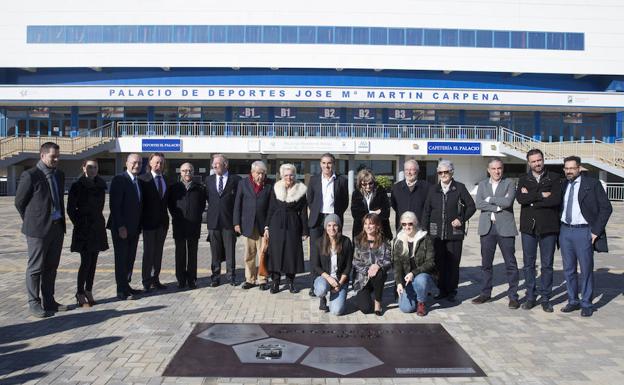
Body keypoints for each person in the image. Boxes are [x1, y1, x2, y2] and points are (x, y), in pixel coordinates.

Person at [15, 142, 68, 318]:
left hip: (57, 227)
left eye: (58, 156)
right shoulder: (30, 175)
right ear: (42, 155)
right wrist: (33, 221)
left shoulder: (59, 175)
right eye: (53, 156)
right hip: (37, 231)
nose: (57, 159)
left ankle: (49, 301)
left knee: (52, 267)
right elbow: (19, 202)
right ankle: (34, 303)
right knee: (36, 268)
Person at [559, 156, 612, 317]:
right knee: (568, 270)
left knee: (586, 269)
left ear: (579, 168)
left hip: (584, 232)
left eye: (572, 168)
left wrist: (596, 231)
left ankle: (587, 303)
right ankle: (573, 300)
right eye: (566, 168)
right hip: (565, 231)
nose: (569, 171)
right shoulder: (563, 185)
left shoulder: (592, 184)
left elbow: (606, 208)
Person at [422, 159, 475, 302]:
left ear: (451, 172)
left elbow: (471, 206)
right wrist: (424, 231)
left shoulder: (460, 188)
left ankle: (452, 291)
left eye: (446, 172)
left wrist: (461, 218)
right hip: (436, 234)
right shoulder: (433, 189)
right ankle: (442, 290)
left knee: (452, 263)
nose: (443, 175)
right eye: (440, 172)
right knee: (438, 263)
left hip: (454, 233)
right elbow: (426, 211)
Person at [516, 148, 562, 313]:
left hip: (548, 228)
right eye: (533, 161)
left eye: (539, 160)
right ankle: (530, 296)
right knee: (528, 265)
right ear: (529, 163)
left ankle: (546, 298)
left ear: (543, 159)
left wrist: (533, 199)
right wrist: (542, 195)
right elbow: (520, 199)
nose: (537, 163)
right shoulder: (523, 179)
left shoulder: (555, 178)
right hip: (529, 228)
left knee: (547, 265)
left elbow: (556, 200)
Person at [472, 158, 520, 309]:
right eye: (493, 169)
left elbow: (508, 202)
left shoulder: (509, 183)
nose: (496, 171)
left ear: (502, 169)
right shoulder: (482, 184)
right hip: (487, 228)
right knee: (486, 264)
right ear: (488, 170)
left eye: (499, 168)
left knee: (510, 264)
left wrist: (490, 199)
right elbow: (478, 204)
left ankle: (513, 296)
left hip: (505, 228)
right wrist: (497, 207)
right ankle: (485, 293)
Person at [67, 159, 109, 307]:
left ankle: (89, 290)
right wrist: (80, 223)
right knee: (86, 262)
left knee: (94, 262)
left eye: (95, 167)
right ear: (84, 168)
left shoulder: (100, 185)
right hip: (83, 228)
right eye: (90, 167)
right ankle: (79, 292)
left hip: (97, 227)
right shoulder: (77, 186)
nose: (93, 170)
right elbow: (71, 209)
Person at [306, 153, 349, 297]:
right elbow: (310, 200)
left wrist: (335, 216)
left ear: (333, 164)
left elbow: (344, 201)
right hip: (317, 219)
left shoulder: (342, 180)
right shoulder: (313, 180)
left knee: (335, 250)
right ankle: (315, 285)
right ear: (320, 164)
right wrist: (318, 212)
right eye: (324, 163)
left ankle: (336, 280)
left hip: (333, 220)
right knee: (315, 253)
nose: (326, 166)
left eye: (329, 163)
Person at [265, 163, 308, 294]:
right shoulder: (276, 188)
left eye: (291, 175)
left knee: (291, 253)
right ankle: (276, 282)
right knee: (276, 253)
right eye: (286, 175)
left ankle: (290, 282)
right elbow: (271, 208)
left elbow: (304, 212)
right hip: (276, 224)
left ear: (295, 175)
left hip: (293, 224)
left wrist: (304, 231)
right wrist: (267, 226)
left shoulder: (301, 190)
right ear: (282, 176)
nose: (289, 177)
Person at [107, 153, 144, 300]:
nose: (137, 165)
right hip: (121, 228)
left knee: (130, 258)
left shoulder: (138, 181)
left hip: (134, 228)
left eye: (140, 163)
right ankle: (121, 290)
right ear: (127, 163)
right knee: (121, 259)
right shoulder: (119, 179)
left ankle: (126, 285)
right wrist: (121, 226)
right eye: (134, 162)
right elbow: (115, 205)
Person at [234, 160, 273, 290]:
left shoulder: (269, 185)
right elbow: (237, 204)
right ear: (252, 172)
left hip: (263, 226)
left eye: (263, 173)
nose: (260, 176)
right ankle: (250, 279)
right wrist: (236, 223)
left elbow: (270, 208)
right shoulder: (243, 183)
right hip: (247, 225)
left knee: (263, 253)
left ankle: (262, 279)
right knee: (249, 254)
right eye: (258, 173)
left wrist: (268, 225)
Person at [167, 162, 206, 290]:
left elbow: (201, 206)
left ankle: (192, 279)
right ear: (180, 173)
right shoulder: (174, 188)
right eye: (184, 171)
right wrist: (177, 217)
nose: (187, 173)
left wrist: (195, 216)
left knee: (192, 254)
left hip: (194, 226)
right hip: (179, 225)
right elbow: (171, 206)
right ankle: (181, 279)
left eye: (189, 170)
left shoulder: (199, 188)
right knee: (180, 253)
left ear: (193, 172)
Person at [205, 154, 241, 287]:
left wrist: (237, 222)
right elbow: (209, 198)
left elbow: (238, 202)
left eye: (217, 164)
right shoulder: (208, 180)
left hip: (229, 222)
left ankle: (231, 276)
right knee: (215, 251)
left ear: (225, 165)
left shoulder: (235, 180)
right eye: (213, 164)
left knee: (230, 250)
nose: (214, 166)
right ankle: (215, 276)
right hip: (213, 222)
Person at [392, 211, 437, 316]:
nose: (407, 227)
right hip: (407, 280)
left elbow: (430, 262)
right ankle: (416, 294)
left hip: (423, 276)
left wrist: (413, 273)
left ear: (415, 223)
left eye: (410, 224)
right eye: (404, 224)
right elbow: (397, 265)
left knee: (420, 280)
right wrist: (398, 282)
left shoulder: (425, 239)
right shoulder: (398, 240)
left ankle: (421, 302)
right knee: (406, 308)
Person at [139, 152, 169, 292]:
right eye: (156, 162)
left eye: (161, 163)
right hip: (148, 224)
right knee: (149, 253)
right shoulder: (143, 180)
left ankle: (155, 279)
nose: (159, 165)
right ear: (150, 163)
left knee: (158, 253)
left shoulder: (166, 180)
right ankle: (146, 281)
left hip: (162, 224)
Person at [312, 214, 353, 315]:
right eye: (329, 225)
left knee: (336, 311)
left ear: (339, 226)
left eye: (335, 225)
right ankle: (323, 297)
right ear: (325, 227)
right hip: (324, 278)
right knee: (321, 289)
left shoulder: (346, 242)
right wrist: (329, 278)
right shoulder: (318, 242)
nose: (332, 228)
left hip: (340, 280)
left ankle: (335, 297)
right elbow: (315, 266)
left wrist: (339, 283)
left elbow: (348, 266)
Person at [352, 213, 392, 316]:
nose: (368, 227)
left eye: (371, 224)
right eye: (365, 224)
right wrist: (367, 270)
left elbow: (388, 259)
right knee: (366, 309)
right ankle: (365, 295)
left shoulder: (385, 241)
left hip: (378, 276)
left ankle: (378, 302)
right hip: (363, 279)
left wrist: (378, 266)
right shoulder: (357, 240)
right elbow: (356, 261)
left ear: (377, 225)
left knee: (379, 273)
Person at [350, 168, 393, 240]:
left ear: (374, 182)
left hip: (380, 231)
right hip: (361, 231)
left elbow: (386, 213)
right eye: (364, 184)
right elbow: (356, 214)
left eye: (370, 183)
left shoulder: (381, 192)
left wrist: (366, 213)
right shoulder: (356, 194)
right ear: (360, 183)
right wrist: (373, 212)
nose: (368, 186)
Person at [391, 159, 430, 231]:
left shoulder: (427, 187)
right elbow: (394, 206)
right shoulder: (396, 188)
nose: (409, 172)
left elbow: (428, 208)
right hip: (402, 228)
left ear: (417, 171)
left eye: (412, 169)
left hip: (420, 229)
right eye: (406, 169)